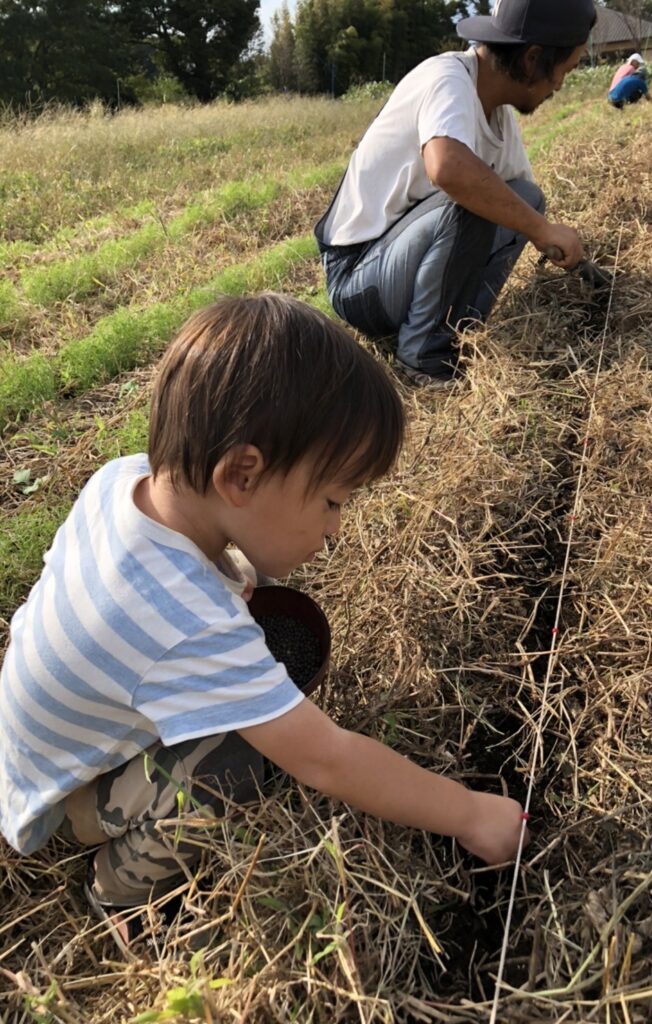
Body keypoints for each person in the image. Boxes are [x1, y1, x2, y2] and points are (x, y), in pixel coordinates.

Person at [0, 293, 527, 952]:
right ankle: (119, 887)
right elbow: (327, 760)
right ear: (241, 475)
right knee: (240, 758)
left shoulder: (123, 480)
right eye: (334, 501)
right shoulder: (183, 620)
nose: (335, 531)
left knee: (255, 619)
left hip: (33, 735)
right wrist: (473, 814)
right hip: (61, 792)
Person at [315, 0, 597, 388]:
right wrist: (541, 228)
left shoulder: (499, 118)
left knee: (526, 200)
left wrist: (586, 270)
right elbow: (447, 168)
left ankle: (457, 329)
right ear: (533, 59)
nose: (560, 86)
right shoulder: (447, 78)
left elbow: (522, 211)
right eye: (564, 71)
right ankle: (423, 358)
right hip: (358, 279)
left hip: (398, 265)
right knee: (471, 200)